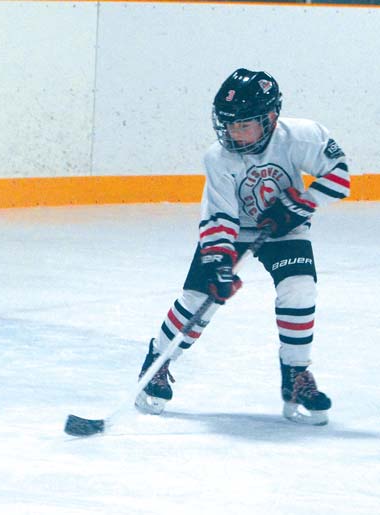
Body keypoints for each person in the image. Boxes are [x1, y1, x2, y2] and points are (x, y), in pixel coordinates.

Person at [135, 68, 350, 425]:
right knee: (199, 299)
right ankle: (158, 361)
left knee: (300, 289)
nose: (234, 133)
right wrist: (220, 264)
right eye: (229, 124)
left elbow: (340, 176)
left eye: (244, 125)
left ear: (270, 118)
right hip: (231, 230)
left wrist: (299, 204)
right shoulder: (218, 157)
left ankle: (296, 375)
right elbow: (219, 216)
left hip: (285, 229)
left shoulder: (302, 136)